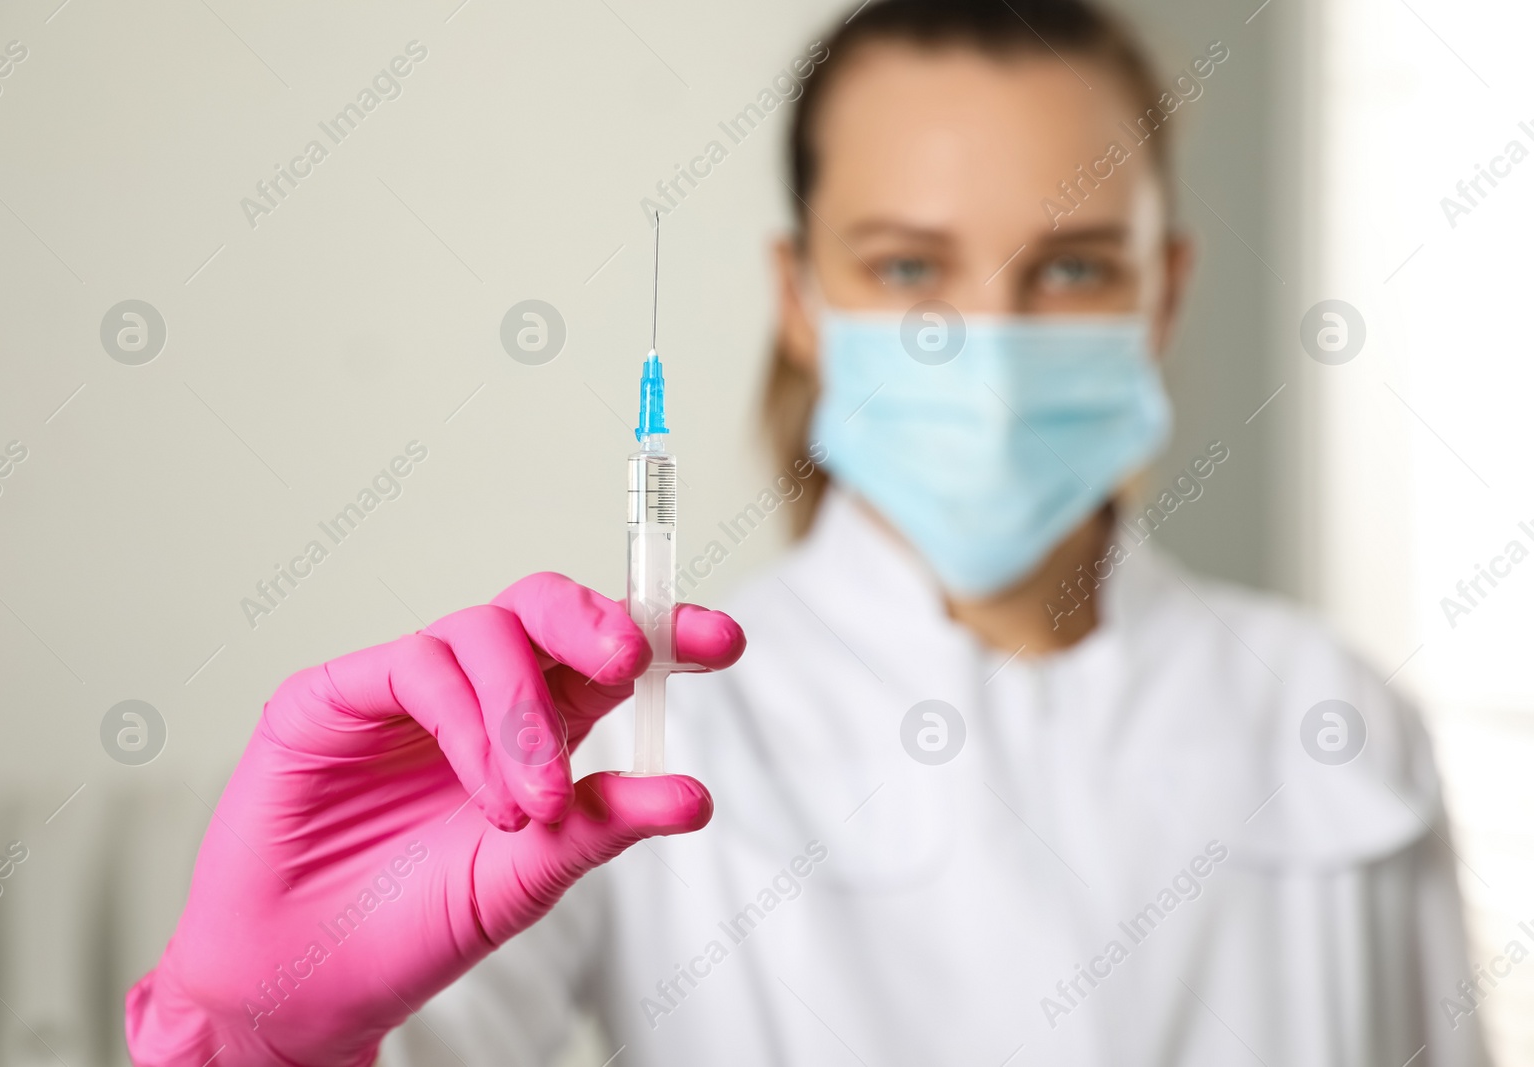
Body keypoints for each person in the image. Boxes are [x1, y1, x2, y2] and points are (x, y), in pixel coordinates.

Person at [128, 1, 1489, 1064]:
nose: (988, 339)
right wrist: (264, 1033)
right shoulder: (652, 728)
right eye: (908, 267)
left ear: (1166, 290)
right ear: (799, 295)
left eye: (1072, 266)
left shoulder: (1334, 712)